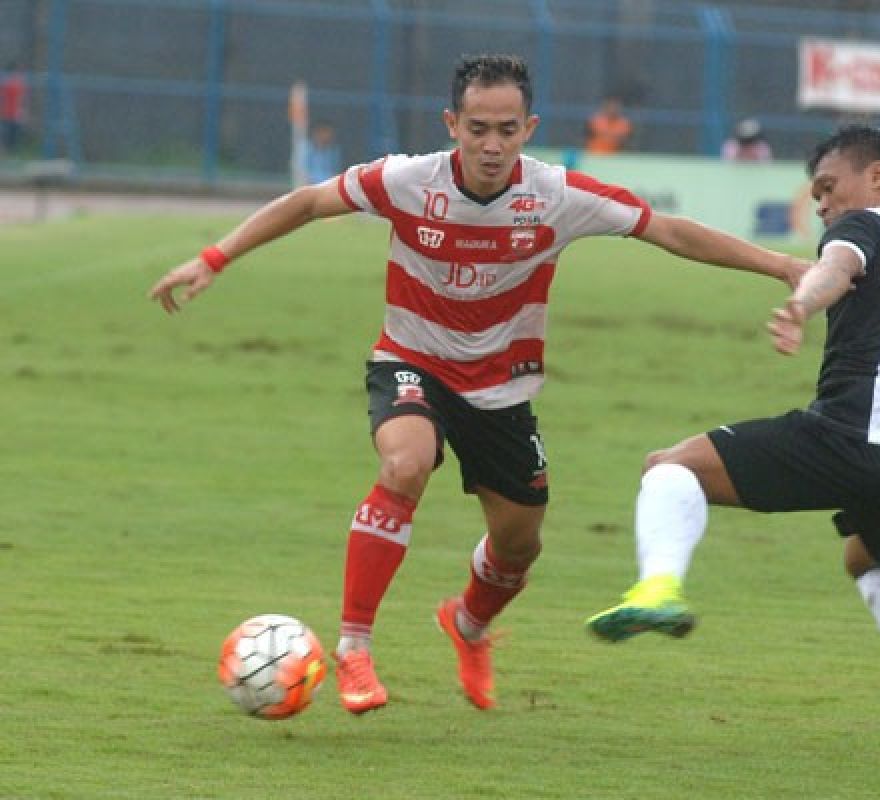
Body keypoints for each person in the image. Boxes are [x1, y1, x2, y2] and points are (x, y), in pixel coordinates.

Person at [148, 54, 807, 715]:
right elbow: (310, 201)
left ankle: (467, 624)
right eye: (478, 128)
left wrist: (780, 265)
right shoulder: (407, 180)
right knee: (404, 464)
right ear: (452, 124)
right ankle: (354, 647)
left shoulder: (557, 195)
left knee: (520, 543)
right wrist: (214, 258)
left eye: (507, 129)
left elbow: (668, 230)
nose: (492, 145)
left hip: (501, 389)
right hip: (412, 360)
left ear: (529, 128)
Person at [586, 124, 880, 756]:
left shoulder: (862, 229)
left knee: (669, 468)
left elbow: (835, 268)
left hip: (849, 435)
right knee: (869, 557)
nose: (824, 206)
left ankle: (658, 589)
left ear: (877, 176)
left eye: (830, 188)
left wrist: (801, 305)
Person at [1, 62, 29, 155]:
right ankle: (7, 152)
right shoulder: (10, 83)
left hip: (14, 114)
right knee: (8, 136)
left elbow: (22, 99)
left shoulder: (18, 82)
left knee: (13, 136)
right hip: (8, 113)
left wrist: (22, 112)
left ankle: (10, 152)